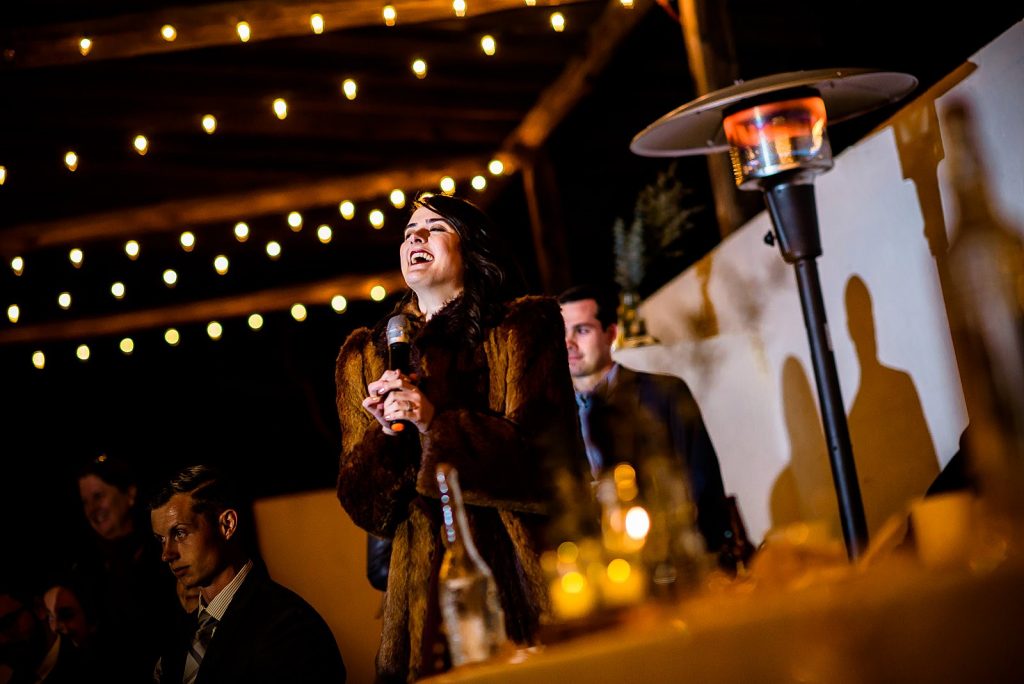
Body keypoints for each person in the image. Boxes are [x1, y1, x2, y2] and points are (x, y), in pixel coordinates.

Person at [335, 193, 587, 682]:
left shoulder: (522, 328)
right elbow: (364, 508)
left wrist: (437, 423)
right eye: (410, 230)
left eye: (436, 227)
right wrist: (387, 438)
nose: (415, 236)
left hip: (523, 588)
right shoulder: (365, 357)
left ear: (471, 250)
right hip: (421, 613)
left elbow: (553, 471)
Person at [559, 283, 732, 554]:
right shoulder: (552, 417)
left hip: (673, 555)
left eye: (582, 330)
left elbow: (704, 482)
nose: (568, 342)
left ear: (611, 333)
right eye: (562, 332)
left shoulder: (666, 393)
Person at [149, 464, 346, 684]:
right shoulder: (176, 636)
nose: (167, 554)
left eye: (180, 532)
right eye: (161, 539)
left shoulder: (291, 628)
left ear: (227, 525)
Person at [69, 454, 179, 682]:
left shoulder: (165, 551)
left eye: (98, 496)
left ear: (129, 494)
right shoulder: (84, 569)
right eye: (85, 501)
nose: (92, 509)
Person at [0, 586, 87, 683]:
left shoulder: (84, 667)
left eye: (7, 623)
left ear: (39, 608)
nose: (1, 640)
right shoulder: (17, 678)